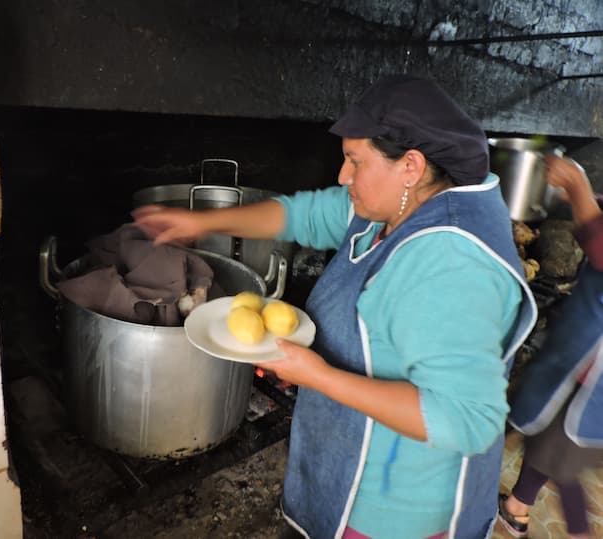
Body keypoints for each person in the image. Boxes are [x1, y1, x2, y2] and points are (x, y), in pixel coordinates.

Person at [132, 75, 537, 539]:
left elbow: (466, 420)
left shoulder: (449, 264)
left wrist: (317, 375)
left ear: (410, 165)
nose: (343, 176)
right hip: (348, 470)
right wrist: (199, 222)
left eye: (354, 161)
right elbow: (304, 214)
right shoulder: (404, 204)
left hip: (397, 511)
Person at [498, 156, 603, 539]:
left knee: (560, 455)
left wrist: (577, 185)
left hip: (590, 374)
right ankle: (517, 508)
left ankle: (578, 531)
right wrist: (585, 198)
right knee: (545, 437)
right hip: (582, 356)